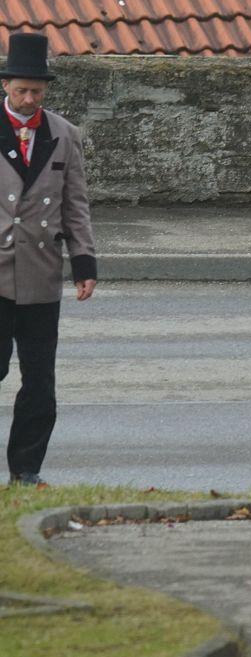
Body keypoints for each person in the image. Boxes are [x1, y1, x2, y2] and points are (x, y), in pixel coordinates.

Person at [1, 33, 97, 487]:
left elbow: (76, 204)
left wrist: (84, 263)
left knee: (40, 381)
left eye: (36, 91)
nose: (28, 98)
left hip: (41, 274)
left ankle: (26, 469)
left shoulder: (63, 134)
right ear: (6, 87)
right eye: (21, 90)